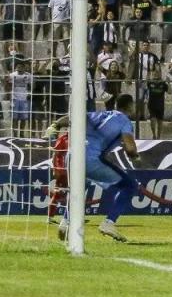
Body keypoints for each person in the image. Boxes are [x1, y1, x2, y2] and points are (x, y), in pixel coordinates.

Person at [49, 94, 140, 243]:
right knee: (129, 185)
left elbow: (73, 117)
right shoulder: (125, 121)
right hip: (89, 159)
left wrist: (55, 124)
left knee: (80, 185)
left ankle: (65, 223)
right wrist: (135, 155)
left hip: (71, 156)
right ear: (130, 106)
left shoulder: (99, 114)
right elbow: (130, 149)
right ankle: (109, 223)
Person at [46, 127, 69, 223]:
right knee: (57, 194)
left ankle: (69, 217)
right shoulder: (64, 139)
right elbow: (55, 153)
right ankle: (50, 218)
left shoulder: (78, 138)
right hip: (63, 171)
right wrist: (55, 169)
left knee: (73, 194)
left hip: (72, 171)